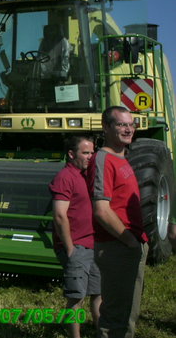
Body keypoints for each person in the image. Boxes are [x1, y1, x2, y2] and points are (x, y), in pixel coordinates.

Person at [87, 106, 148, 338]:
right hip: (117, 246)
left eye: (131, 124)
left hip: (128, 245)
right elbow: (101, 210)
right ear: (106, 127)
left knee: (127, 313)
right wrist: (130, 241)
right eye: (121, 124)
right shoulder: (103, 159)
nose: (128, 129)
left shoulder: (121, 158)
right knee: (115, 318)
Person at [50, 135, 101, 338]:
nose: (90, 157)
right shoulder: (65, 177)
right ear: (71, 154)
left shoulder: (86, 175)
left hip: (92, 244)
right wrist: (70, 248)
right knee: (76, 298)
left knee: (98, 294)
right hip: (77, 247)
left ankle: (102, 333)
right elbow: (60, 215)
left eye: (92, 152)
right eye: (85, 153)